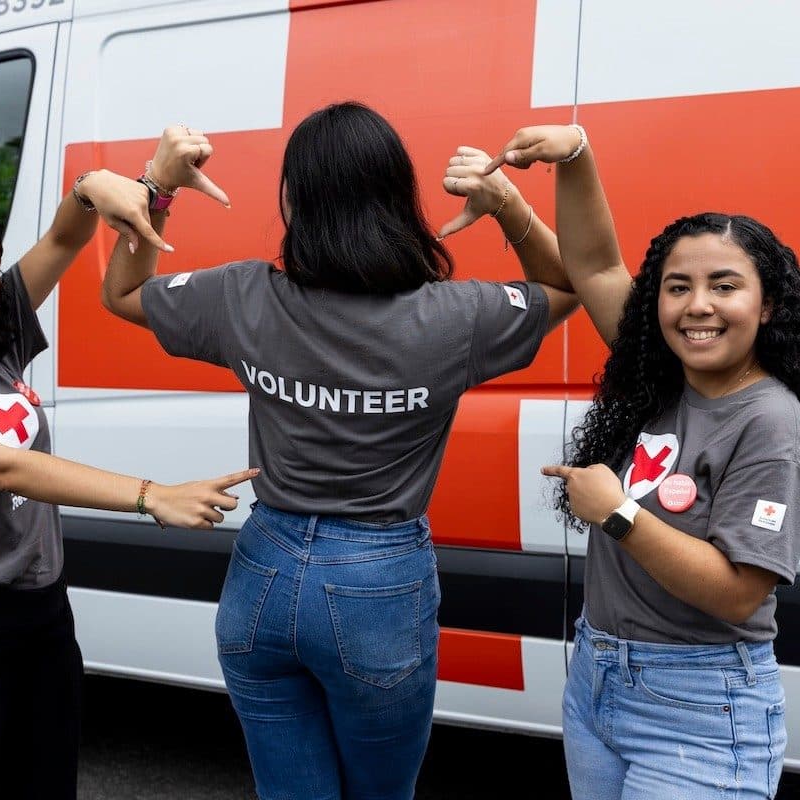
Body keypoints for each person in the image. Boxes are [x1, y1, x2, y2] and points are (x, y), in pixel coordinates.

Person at [99, 104, 578, 800]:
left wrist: (157, 187)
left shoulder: (241, 296)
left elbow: (121, 293)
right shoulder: (455, 317)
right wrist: (505, 203)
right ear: (397, 199)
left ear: (293, 199)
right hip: (378, 583)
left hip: (261, 569)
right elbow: (567, 287)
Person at [463, 124, 800, 799]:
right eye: (678, 287)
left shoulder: (773, 424)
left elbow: (739, 592)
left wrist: (619, 513)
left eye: (724, 286)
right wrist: (575, 154)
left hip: (700, 708)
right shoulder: (664, 375)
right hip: (598, 682)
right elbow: (592, 266)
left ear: (767, 306)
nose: (697, 305)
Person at [0, 177, 257, 800]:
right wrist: (151, 495)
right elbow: (4, 467)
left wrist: (143, 183)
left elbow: (68, 234)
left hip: (41, 624)